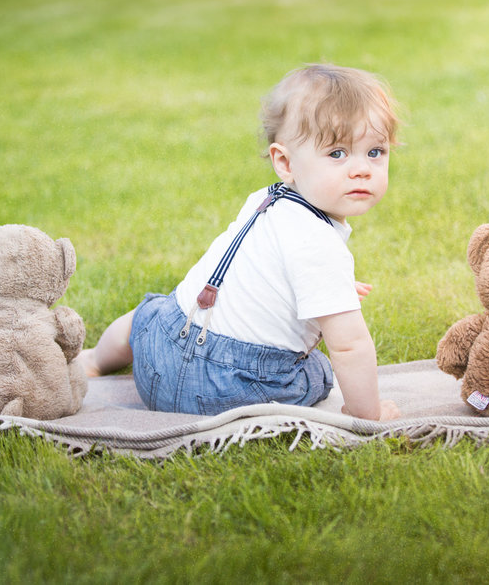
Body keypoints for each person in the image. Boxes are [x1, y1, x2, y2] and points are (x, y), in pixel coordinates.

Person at [76, 64, 401, 421]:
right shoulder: (318, 243)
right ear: (284, 162)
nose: (362, 169)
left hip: (158, 360)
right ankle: (355, 406)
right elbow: (349, 344)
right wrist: (367, 413)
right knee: (318, 371)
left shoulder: (265, 200)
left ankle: (93, 360)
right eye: (337, 153)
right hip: (233, 391)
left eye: (375, 152)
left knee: (148, 313)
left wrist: (329, 287)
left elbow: (258, 267)